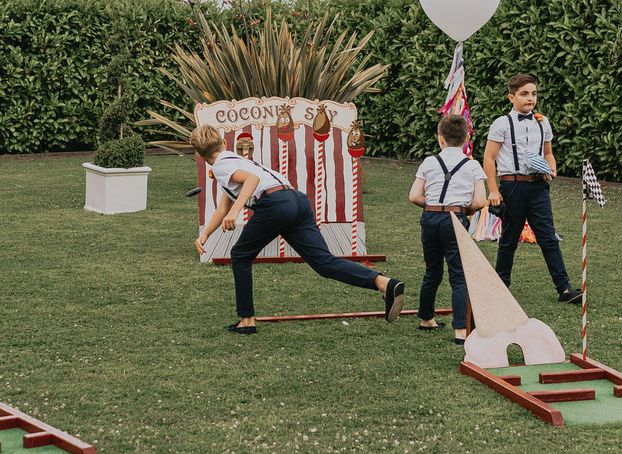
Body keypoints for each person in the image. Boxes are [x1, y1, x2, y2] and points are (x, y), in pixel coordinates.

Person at [189, 124, 405, 334]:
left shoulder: (220, 166)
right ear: (224, 142)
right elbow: (223, 205)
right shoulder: (237, 161)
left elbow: (251, 181)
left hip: (275, 205)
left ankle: (246, 320)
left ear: (199, 154)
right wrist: (205, 234)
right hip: (297, 200)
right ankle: (384, 283)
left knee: (240, 255)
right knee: (324, 263)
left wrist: (235, 212)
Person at [482, 74, 581, 304]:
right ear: (511, 97)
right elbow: (489, 158)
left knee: (548, 237)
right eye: (524, 94)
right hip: (512, 186)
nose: (530, 98)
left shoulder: (542, 121)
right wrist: (494, 190)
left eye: (534, 94)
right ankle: (501, 285)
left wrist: (552, 169)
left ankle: (564, 289)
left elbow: (548, 153)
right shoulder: (501, 124)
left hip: (538, 186)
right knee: (509, 238)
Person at [408, 115, 488, 344]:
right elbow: (481, 200)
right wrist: (464, 210)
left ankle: (426, 318)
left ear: (440, 139)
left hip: (430, 218)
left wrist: (433, 206)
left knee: (432, 270)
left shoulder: (429, 162)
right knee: (459, 275)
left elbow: (414, 195)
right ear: (466, 138)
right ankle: (461, 330)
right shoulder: (472, 165)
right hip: (455, 218)